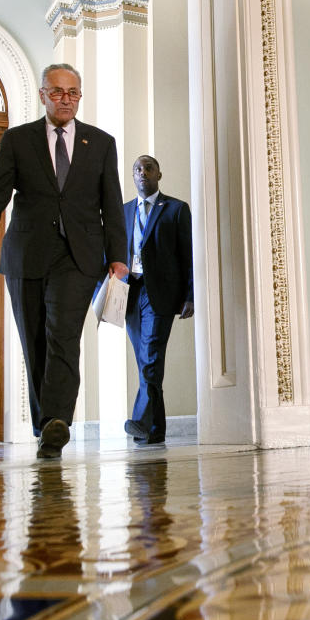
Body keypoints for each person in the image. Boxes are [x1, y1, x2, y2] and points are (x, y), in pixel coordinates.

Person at [0, 63, 128, 457]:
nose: (66, 99)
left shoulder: (101, 142)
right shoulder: (18, 140)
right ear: (43, 95)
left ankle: (57, 420)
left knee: (63, 335)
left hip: (79, 256)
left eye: (73, 92)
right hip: (26, 254)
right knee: (35, 339)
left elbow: (112, 203)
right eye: (57, 92)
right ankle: (46, 427)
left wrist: (119, 258)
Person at [121, 155, 194, 446]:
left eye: (148, 168)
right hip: (130, 294)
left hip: (160, 295)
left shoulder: (176, 209)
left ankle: (139, 419)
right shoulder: (123, 212)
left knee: (150, 356)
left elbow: (188, 256)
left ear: (159, 174)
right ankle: (154, 431)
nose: (143, 173)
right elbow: (110, 254)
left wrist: (190, 295)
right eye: (137, 169)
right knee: (146, 363)